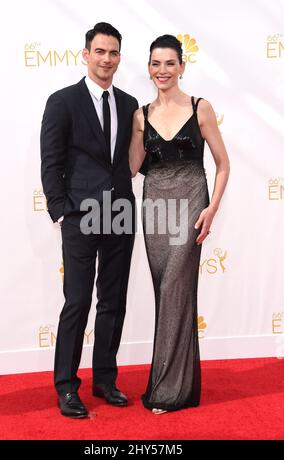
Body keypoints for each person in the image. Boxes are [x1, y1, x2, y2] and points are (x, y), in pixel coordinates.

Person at [41, 22, 138, 418]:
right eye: (100, 51)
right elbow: (51, 162)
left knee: (113, 301)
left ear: (119, 57)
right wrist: (61, 208)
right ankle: (66, 386)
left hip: (120, 213)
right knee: (77, 301)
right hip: (80, 215)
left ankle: (105, 379)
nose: (106, 59)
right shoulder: (63, 101)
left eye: (113, 52)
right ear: (86, 54)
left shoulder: (131, 104)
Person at [129, 35, 230, 414]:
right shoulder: (141, 116)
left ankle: (169, 392)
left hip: (191, 205)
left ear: (182, 67)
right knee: (167, 294)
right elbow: (130, 169)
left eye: (170, 63)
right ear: (149, 67)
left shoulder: (200, 108)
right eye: (156, 63)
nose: (162, 71)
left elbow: (223, 164)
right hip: (154, 209)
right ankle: (174, 384)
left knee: (175, 288)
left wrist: (212, 208)